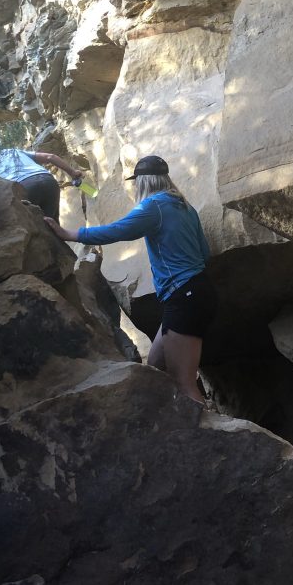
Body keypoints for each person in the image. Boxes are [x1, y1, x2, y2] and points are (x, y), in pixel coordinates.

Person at [45, 155, 216, 406]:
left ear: (144, 182)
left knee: (185, 382)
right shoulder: (184, 207)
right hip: (199, 292)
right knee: (156, 365)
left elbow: (117, 230)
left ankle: (210, 436)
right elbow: (204, 253)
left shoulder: (154, 206)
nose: (135, 187)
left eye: (136, 183)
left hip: (184, 296)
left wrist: (70, 233)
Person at [0, 146, 82, 221]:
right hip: (49, 182)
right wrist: (73, 172)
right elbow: (50, 157)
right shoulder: (12, 151)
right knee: (53, 227)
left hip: (24, 188)